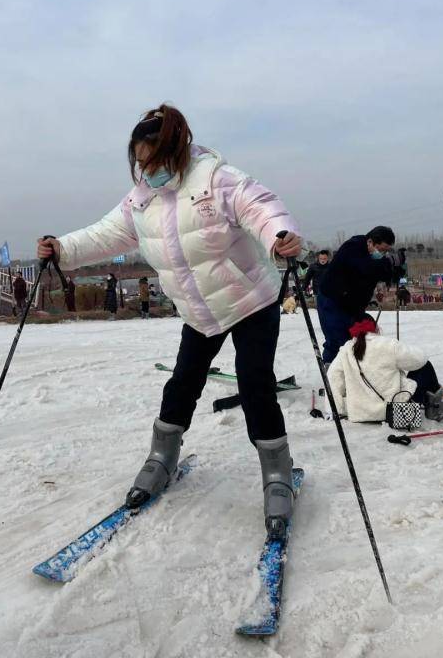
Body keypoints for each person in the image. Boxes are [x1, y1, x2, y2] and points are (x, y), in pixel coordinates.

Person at [37, 103, 302, 539]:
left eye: (152, 161)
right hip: (199, 311)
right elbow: (104, 234)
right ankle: (161, 458)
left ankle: (277, 473)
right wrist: (61, 248)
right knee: (182, 383)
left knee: (255, 384)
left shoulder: (217, 179)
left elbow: (261, 207)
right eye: (139, 163)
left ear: (174, 150)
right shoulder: (141, 200)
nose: (145, 171)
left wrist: (279, 235)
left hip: (251, 300)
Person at [328, 317, 443, 422]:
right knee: (425, 366)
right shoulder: (387, 344)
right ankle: (435, 407)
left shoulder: (346, 349)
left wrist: (337, 409)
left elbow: (333, 378)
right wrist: (397, 356)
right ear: (375, 327)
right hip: (395, 410)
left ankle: (434, 405)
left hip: (359, 413)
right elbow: (420, 359)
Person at [317, 227, 402, 365]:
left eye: (386, 251)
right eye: (381, 250)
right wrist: (389, 262)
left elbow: (380, 272)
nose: (383, 254)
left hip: (353, 305)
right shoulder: (353, 247)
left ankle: (354, 373)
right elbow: (366, 268)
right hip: (332, 300)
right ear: (370, 242)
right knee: (337, 340)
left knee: (355, 339)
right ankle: (331, 374)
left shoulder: (372, 258)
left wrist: (396, 268)